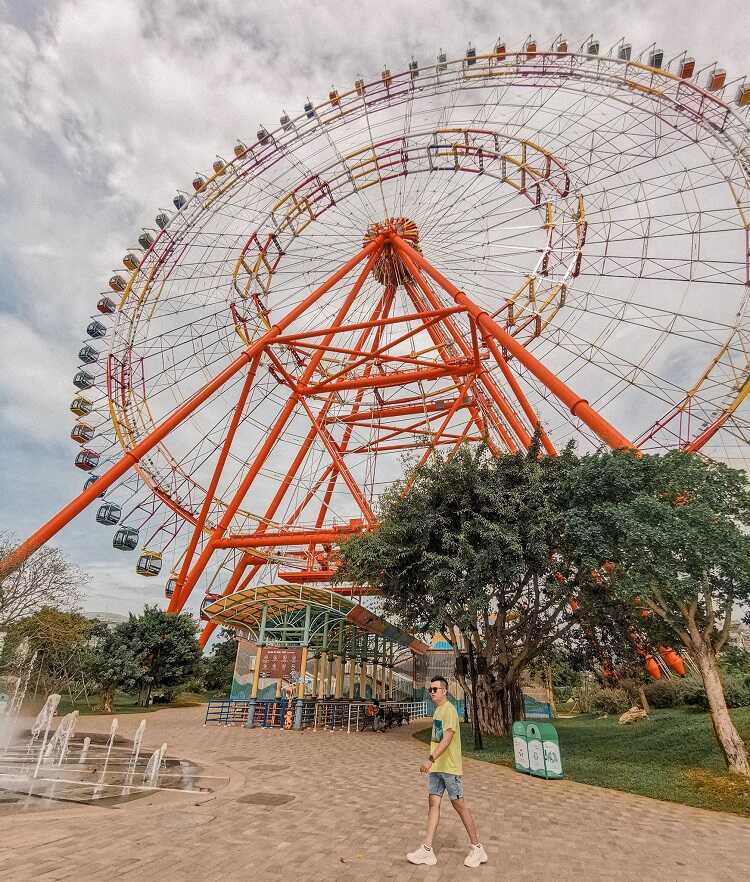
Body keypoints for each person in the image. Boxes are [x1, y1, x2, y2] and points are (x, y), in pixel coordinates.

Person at [407, 676, 487, 869]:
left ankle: (478, 849)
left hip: (449, 768)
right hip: (437, 769)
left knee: (460, 806)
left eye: (435, 689)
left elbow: (447, 739)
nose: (432, 692)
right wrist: (433, 762)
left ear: (444, 691)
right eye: (430, 689)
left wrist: (430, 759)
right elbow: (438, 738)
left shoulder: (449, 710)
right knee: (433, 804)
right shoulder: (438, 712)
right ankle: (427, 850)